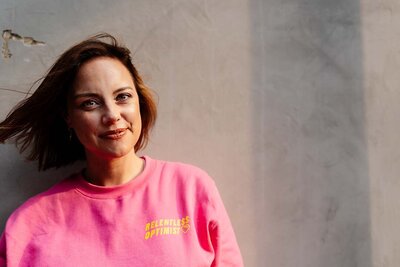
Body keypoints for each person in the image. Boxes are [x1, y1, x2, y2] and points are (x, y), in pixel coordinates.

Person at [0, 33, 243, 266]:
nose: (112, 115)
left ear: (140, 101)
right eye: (90, 103)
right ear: (68, 117)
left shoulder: (191, 190)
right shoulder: (29, 224)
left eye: (123, 97)